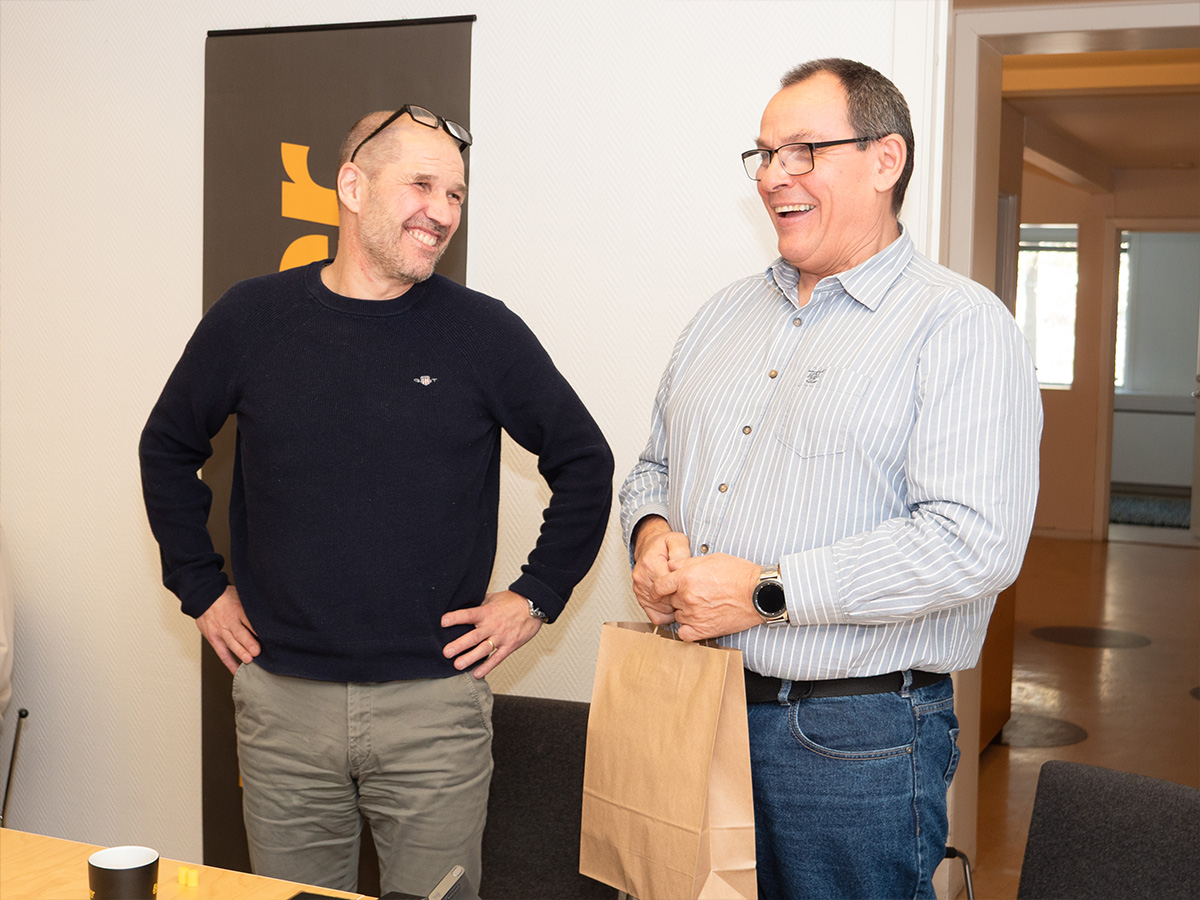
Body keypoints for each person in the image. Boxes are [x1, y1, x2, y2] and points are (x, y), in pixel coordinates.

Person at [140, 106, 614, 899]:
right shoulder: (252, 318)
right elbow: (166, 448)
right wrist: (198, 585)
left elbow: (585, 461)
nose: (442, 212)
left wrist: (534, 597)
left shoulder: (481, 332)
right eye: (422, 184)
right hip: (281, 703)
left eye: (456, 195)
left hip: (433, 712)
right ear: (352, 186)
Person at [620, 59, 1041, 900]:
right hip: (692, 706)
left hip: (853, 735)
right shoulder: (721, 315)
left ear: (887, 161)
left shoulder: (959, 327)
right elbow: (653, 468)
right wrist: (652, 535)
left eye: (804, 150)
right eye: (766, 155)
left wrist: (767, 593)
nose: (775, 175)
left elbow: (974, 543)